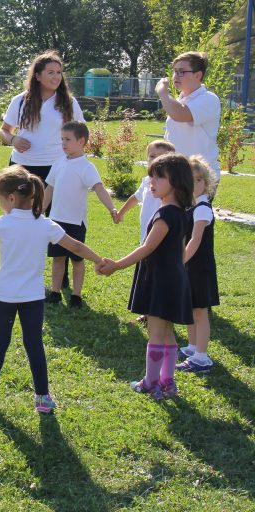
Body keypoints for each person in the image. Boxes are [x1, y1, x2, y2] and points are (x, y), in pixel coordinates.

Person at [0, 166, 102, 413]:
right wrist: (99, 260)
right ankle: (43, 398)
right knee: (34, 344)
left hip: (4, 295)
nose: (0, 204)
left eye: (0, 199)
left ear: (11, 198)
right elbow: (75, 246)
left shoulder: (3, 223)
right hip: (33, 297)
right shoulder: (46, 225)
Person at [98, 153, 195, 399]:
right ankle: (167, 382)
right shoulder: (181, 213)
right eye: (151, 175)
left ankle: (151, 382)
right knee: (167, 331)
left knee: (155, 332)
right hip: (174, 277)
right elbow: (181, 249)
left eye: (159, 177)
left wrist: (116, 265)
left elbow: (146, 248)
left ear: (176, 182)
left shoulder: (165, 215)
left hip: (160, 280)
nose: (152, 181)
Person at [0, 50, 85, 288]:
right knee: (20, 218)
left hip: (56, 168)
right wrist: (13, 140)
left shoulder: (69, 102)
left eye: (59, 72)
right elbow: (4, 130)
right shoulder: (20, 100)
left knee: (55, 221)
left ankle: (61, 276)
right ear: (37, 75)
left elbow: (80, 134)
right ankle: (21, 269)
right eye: (50, 72)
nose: (56, 77)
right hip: (22, 168)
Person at [43, 121, 117, 308]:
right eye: (62, 139)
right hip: (56, 220)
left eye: (67, 139)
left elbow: (99, 189)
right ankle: (55, 292)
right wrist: (39, 210)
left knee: (77, 259)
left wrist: (112, 208)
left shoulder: (86, 167)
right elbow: (49, 189)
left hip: (76, 222)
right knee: (58, 258)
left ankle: (76, 295)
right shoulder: (58, 163)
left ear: (81, 141)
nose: (63, 143)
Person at [116, 139, 176, 324]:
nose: (154, 160)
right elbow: (135, 198)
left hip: (160, 241)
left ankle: (160, 313)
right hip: (145, 240)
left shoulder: (169, 186)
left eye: (160, 157)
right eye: (151, 156)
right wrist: (121, 212)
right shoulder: (146, 182)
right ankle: (147, 313)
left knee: (157, 280)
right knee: (145, 278)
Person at [176, 156, 219, 374]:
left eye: (199, 179)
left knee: (200, 312)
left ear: (207, 182)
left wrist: (181, 261)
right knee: (191, 308)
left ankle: (202, 357)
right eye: (190, 180)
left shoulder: (202, 208)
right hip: (190, 266)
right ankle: (192, 347)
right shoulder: (190, 207)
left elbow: (195, 239)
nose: (195, 184)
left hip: (199, 267)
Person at [156, 51, 221, 182]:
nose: (176, 76)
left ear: (198, 75)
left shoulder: (209, 99)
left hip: (200, 177)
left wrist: (163, 93)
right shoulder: (179, 101)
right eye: (175, 71)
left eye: (182, 71)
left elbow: (180, 114)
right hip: (177, 174)